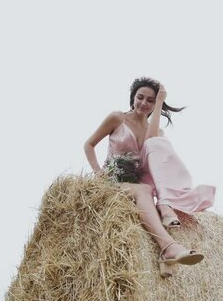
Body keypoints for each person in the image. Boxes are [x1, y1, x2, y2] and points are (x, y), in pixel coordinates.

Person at [83, 77, 215, 277]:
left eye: (150, 100)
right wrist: (97, 173)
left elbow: (151, 143)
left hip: (138, 185)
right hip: (112, 183)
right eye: (140, 98)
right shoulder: (117, 118)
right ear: (132, 98)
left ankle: (165, 251)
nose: (144, 103)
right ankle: (169, 247)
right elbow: (88, 145)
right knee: (145, 191)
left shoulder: (154, 131)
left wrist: (161, 100)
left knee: (158, 147)